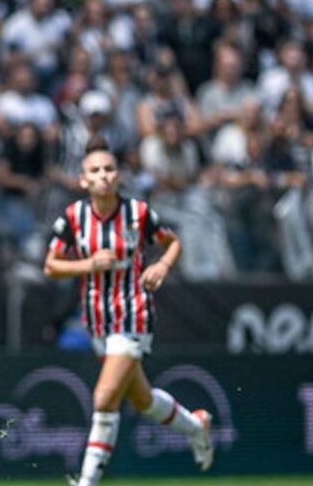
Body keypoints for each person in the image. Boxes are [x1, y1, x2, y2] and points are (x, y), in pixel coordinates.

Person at [43, 136, 214, 486]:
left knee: (104, 396)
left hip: (133, 314)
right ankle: (197, 426)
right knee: (143, 400)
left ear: (119, 175)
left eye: (109, 168)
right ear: (83, 180)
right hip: (97, 321)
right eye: (96, 170)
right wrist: (90, 263)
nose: (104, 175)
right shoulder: (73, 218)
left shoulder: (138, 213)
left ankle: (86, 481)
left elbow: (173, 242)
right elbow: (51, 266)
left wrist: (163, 266)